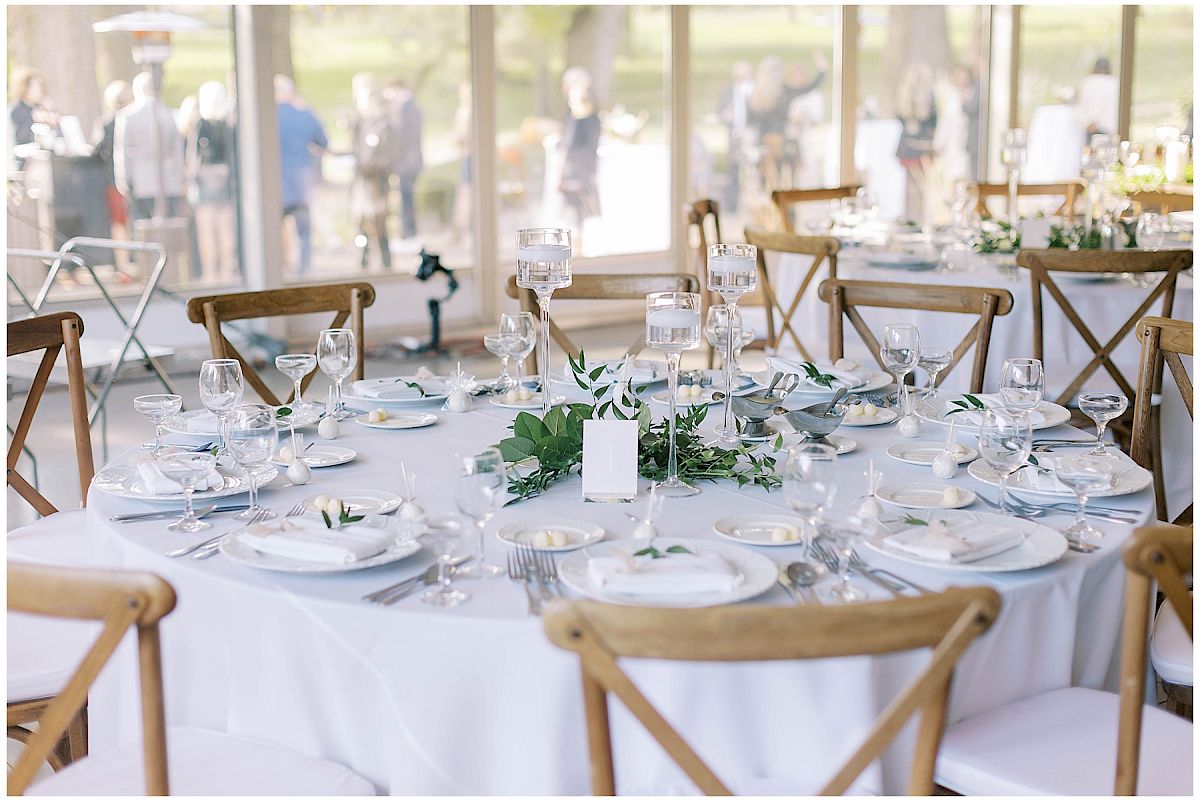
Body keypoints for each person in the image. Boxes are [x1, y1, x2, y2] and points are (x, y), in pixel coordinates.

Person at [114, 72, 186, 221]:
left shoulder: (128, 116)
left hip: (141, 179)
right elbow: (177, 150)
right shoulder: (169, 114)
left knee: (142, 227)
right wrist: (179, 176)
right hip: (169, 178)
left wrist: (123, 178)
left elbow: (124, 151)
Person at [275, 74, 328, 275]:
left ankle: (279, 266)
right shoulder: (305, 116)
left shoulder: (267, 118)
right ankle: (303, 267)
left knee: (274, 228)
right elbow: (323, 142)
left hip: (277, 182)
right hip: (302, 181)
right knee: (304, 230)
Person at [186, 81, 236, 284]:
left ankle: (210, 271)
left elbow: (194, 155)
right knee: (225, 227)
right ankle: (226, 269)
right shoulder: (228, 124)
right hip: (224, 176)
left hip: (205, 178)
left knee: (207, 228)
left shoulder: (201, 124)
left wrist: (189, 178)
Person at [349, 73, 393, 271]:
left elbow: (386, 155)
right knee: (361, 222)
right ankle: (363, 258)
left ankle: (386, 260)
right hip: (361, 180)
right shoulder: (359, 123)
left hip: (377, 181)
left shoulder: (384, 125)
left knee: (379, 222)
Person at [91, 80, 134, 274]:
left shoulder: (108, 123)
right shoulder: (128, 119)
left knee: (120, 223)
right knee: (124, 221)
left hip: (116, 180)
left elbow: (96, 150)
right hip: (124, 180)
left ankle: (124, 265)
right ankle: (129, 265)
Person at [895, 63, 938, 221]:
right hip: (910, 147)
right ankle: (910, 217)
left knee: (920, 186)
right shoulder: (906, 97)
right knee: (910, 185)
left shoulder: (929, 97)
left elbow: (933, 121)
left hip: (921, 147)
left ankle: (920, 217)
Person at [559, 80, 601, 235]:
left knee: (574, 225)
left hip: (575, 176)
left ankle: (576, 256)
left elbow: (567, 148)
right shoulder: (595, 121)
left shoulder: (578, 123)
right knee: (579, 223)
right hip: (587, 175)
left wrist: (561, 175)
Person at [387, 79, 423, 242]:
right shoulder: (410, 106)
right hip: (411, 160)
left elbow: (404, 137)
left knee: (406, 196)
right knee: (406, 196)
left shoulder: (405, 108)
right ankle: (409, 230)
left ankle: (408, 231)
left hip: (407, 161)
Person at [718, 61, 754, 212]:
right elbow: (719, 110)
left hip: (750, 134)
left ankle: (752, 204)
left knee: (751, 170)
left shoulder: (754, 90)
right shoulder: (728, 90)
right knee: (733, 168)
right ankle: (731, 206)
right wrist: (726, 114)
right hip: (734, 134)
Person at [9, 67, 57, 169]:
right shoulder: (17, 110)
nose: (39, 92)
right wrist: (33, 119)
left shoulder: (41, 108)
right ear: (25, 88)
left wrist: (51, 116)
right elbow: (20, 137)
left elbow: (54, 137)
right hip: (26, 163)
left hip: (46, 160)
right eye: (35, 88)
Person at [1076, 57, 1119, 138]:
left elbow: (1083, 103)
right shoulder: (1115, 82)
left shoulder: (1088, 82)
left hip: (1092, 126)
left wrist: (1088, 122)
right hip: (1109, 126)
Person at [451, 81, 472, 243]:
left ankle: (462, 229)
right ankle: (460, 230)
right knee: (466, 193)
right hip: (467, 157)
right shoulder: (465, 112)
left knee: (467, 193)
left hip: (469, 156)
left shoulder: (467, 112)